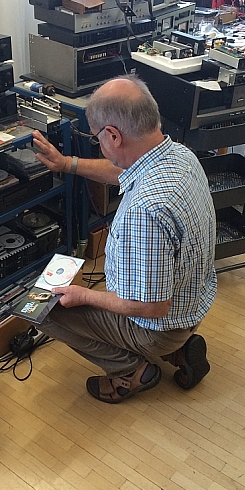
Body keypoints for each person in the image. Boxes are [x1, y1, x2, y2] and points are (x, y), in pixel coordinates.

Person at [32, 75, 217, 404]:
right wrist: (66, 164)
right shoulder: (179, 156)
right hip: (192, 304)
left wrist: (84, 296)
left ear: (113, 135)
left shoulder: (145, 211)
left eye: (96, 138)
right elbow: (124, 171)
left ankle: (131, 371)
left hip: (161, 323)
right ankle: (176, 350)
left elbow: (152, 307)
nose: (99, 145)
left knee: (45, 310)